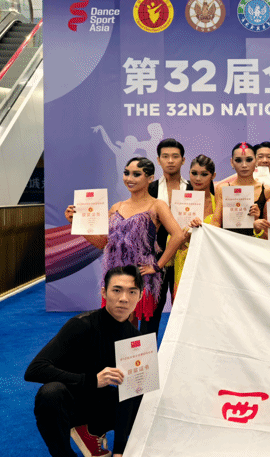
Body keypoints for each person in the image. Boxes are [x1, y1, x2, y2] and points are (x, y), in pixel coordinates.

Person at [25, 266, 147, 457]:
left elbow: (132, 397)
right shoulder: (81, 325)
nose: (124, 298)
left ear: (140, 296)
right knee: (50, 394)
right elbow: (35, 369)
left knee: (144, 395)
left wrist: (120, 451)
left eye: (132, 292)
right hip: (69, 402)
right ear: (104, 292)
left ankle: (91, 430)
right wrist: (90, 380)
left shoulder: (135, 339)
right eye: (117, 290)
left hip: (97, 402)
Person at [64, 157, 184, 325]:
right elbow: (102, 243)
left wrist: (158, 266)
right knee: (119, 323)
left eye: (136, 174)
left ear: (150, 178)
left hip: (141, 274)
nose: (129, 178)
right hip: (116, 274)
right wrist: (76, 223)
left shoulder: (157, 205)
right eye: (126, 173)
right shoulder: (116, 207)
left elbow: (178, 235)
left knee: (142, 326)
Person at [146, 138, 191, 338]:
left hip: (186, 256)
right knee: (151, 312)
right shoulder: (150, 188)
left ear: (183, 160)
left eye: (175, 156)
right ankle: (145, 355)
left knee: (185, 311)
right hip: (155, 258)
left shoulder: (194, 188)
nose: (170, 161)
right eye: (165, 156)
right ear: (158, 160)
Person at [173, 155, 217, 296]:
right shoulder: (179, 202)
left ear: (213, 176)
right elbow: (171, 239)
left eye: (204, 174)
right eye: (194, 173)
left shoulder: (218, 204)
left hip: (211, 264)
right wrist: (183, 237)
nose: (198, 178)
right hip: (184, 262)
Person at [210, 143, 270, 237]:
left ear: (256, 161)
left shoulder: (266, 191)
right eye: (238, 160)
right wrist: (199, 227)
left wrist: (257, 221)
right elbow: (216, 223)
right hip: (228, 243)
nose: (244, 165)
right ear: (232, 162)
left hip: (254, 244)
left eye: (249, 160)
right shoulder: (222, 189)